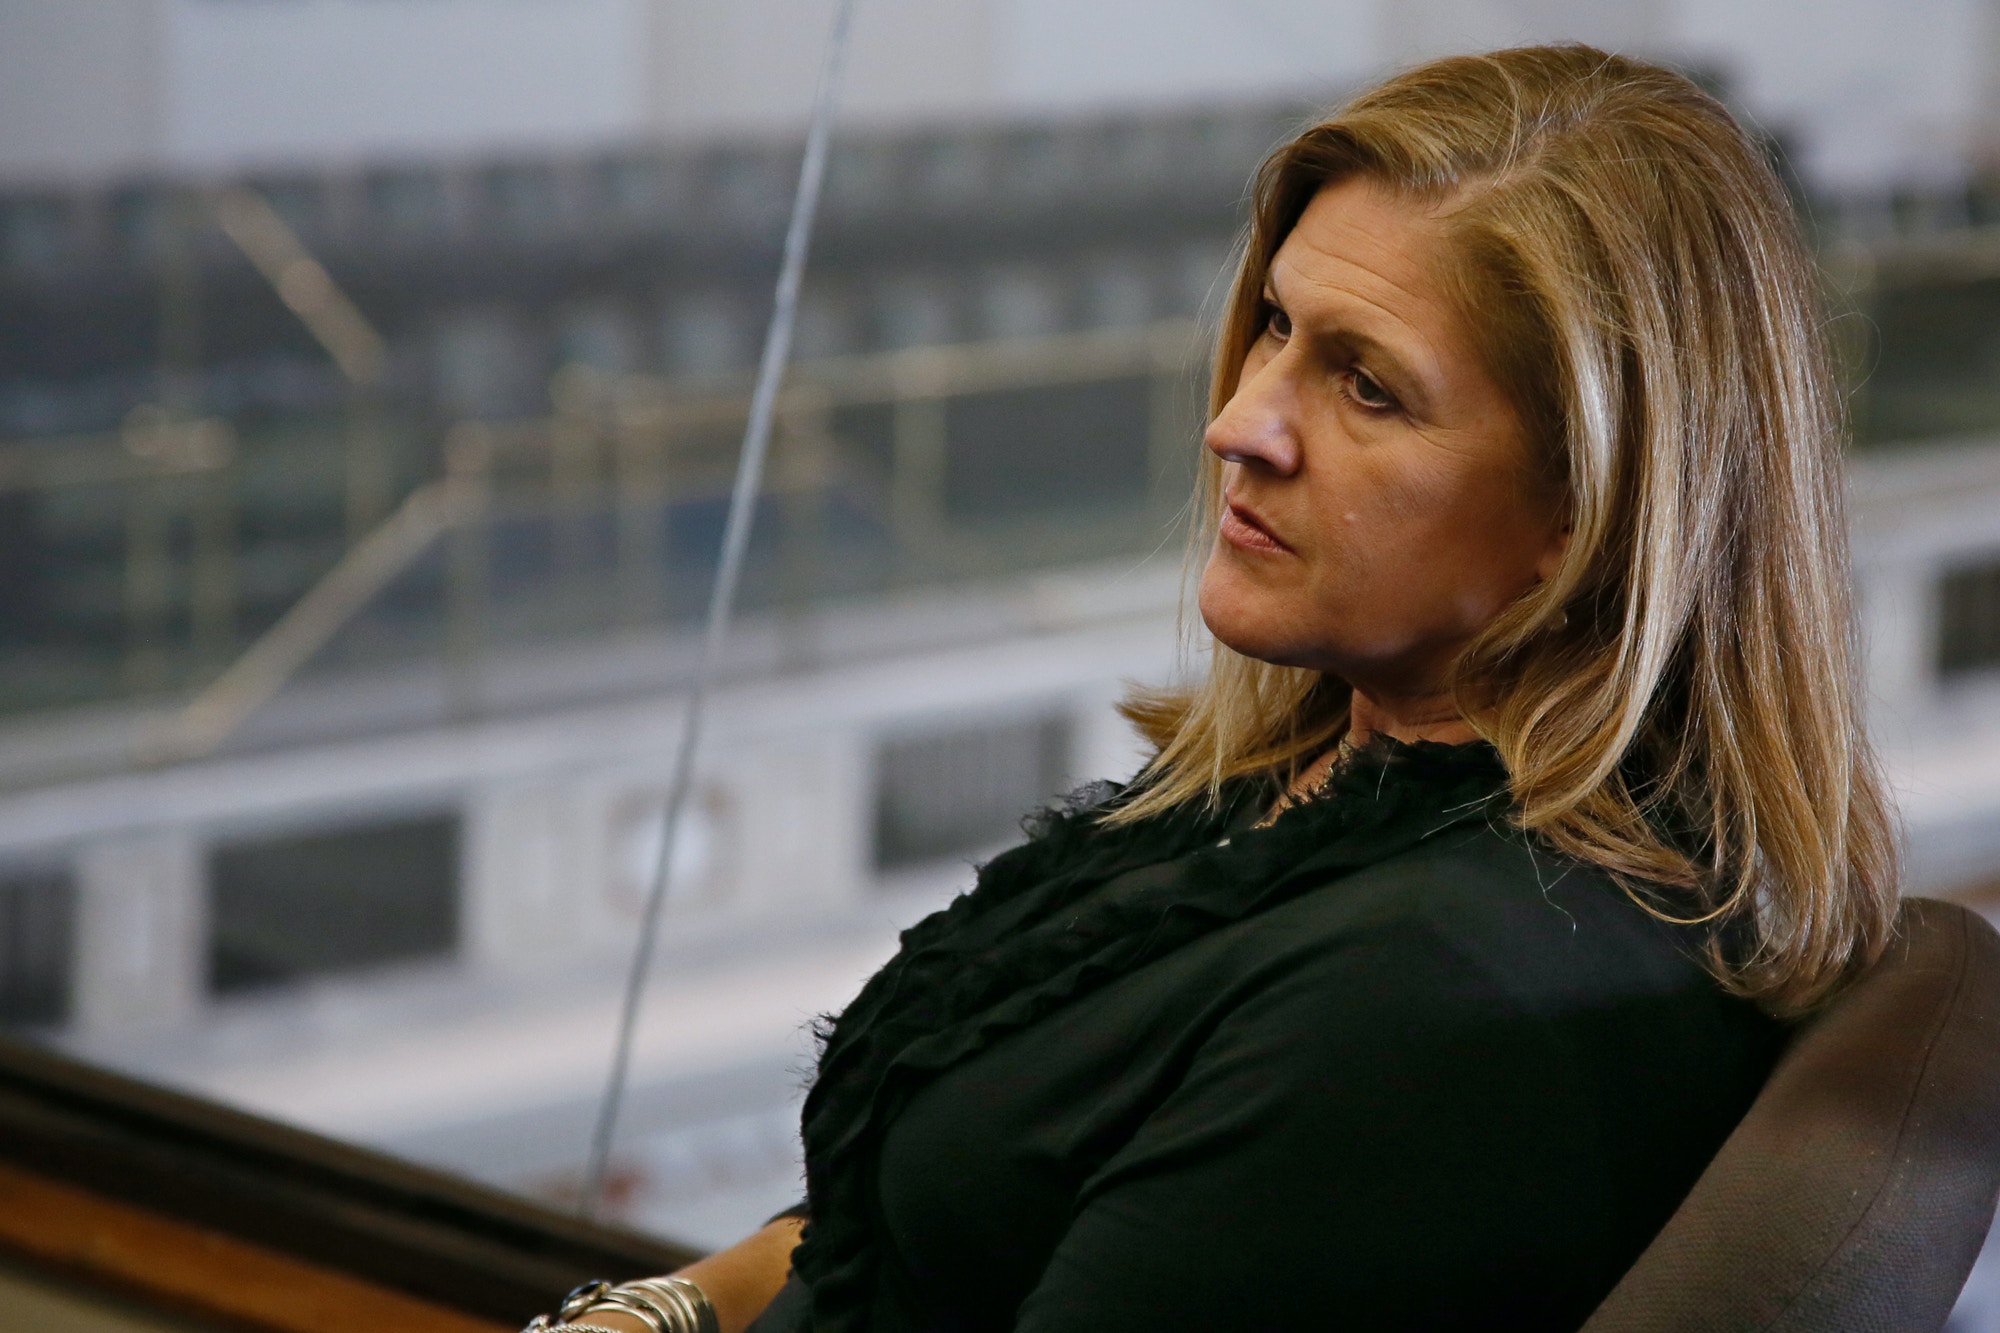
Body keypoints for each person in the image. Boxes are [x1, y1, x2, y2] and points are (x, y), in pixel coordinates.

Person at [536, 43, 1899, 1333]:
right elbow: (937, 1210)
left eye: (1367, 388)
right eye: (1275, 328)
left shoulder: (1419, 1002)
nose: (1239, 422)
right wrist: (661, 1308)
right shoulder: (1314, 780)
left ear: (1591, 512)